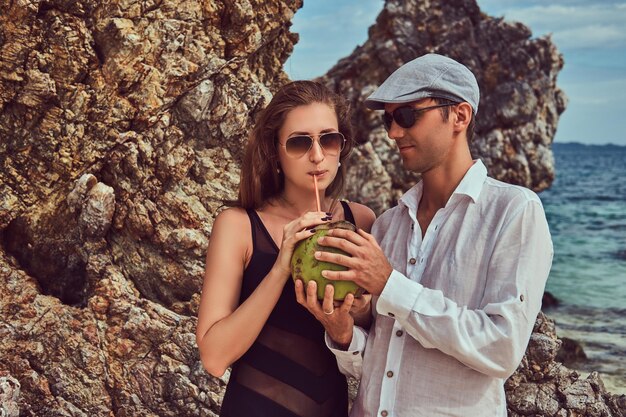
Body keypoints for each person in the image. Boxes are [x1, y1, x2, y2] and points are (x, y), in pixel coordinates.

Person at [295, 54, 553, 416]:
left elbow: (502, 349)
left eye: (407, 116)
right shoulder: (387, 225)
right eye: (388, 119)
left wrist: (389, 284)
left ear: (460, 116)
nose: (393, 132)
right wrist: (342, 332)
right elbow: (380, 367)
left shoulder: (513, 211)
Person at [196, 80, 376, 417]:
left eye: (329, 139)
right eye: (299, 142)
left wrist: (359, 312)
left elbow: (376, 344)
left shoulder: (361, 221)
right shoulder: (238, 226)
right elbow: (214, 357)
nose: (318, 155)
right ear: (274, 152)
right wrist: (281, 267)